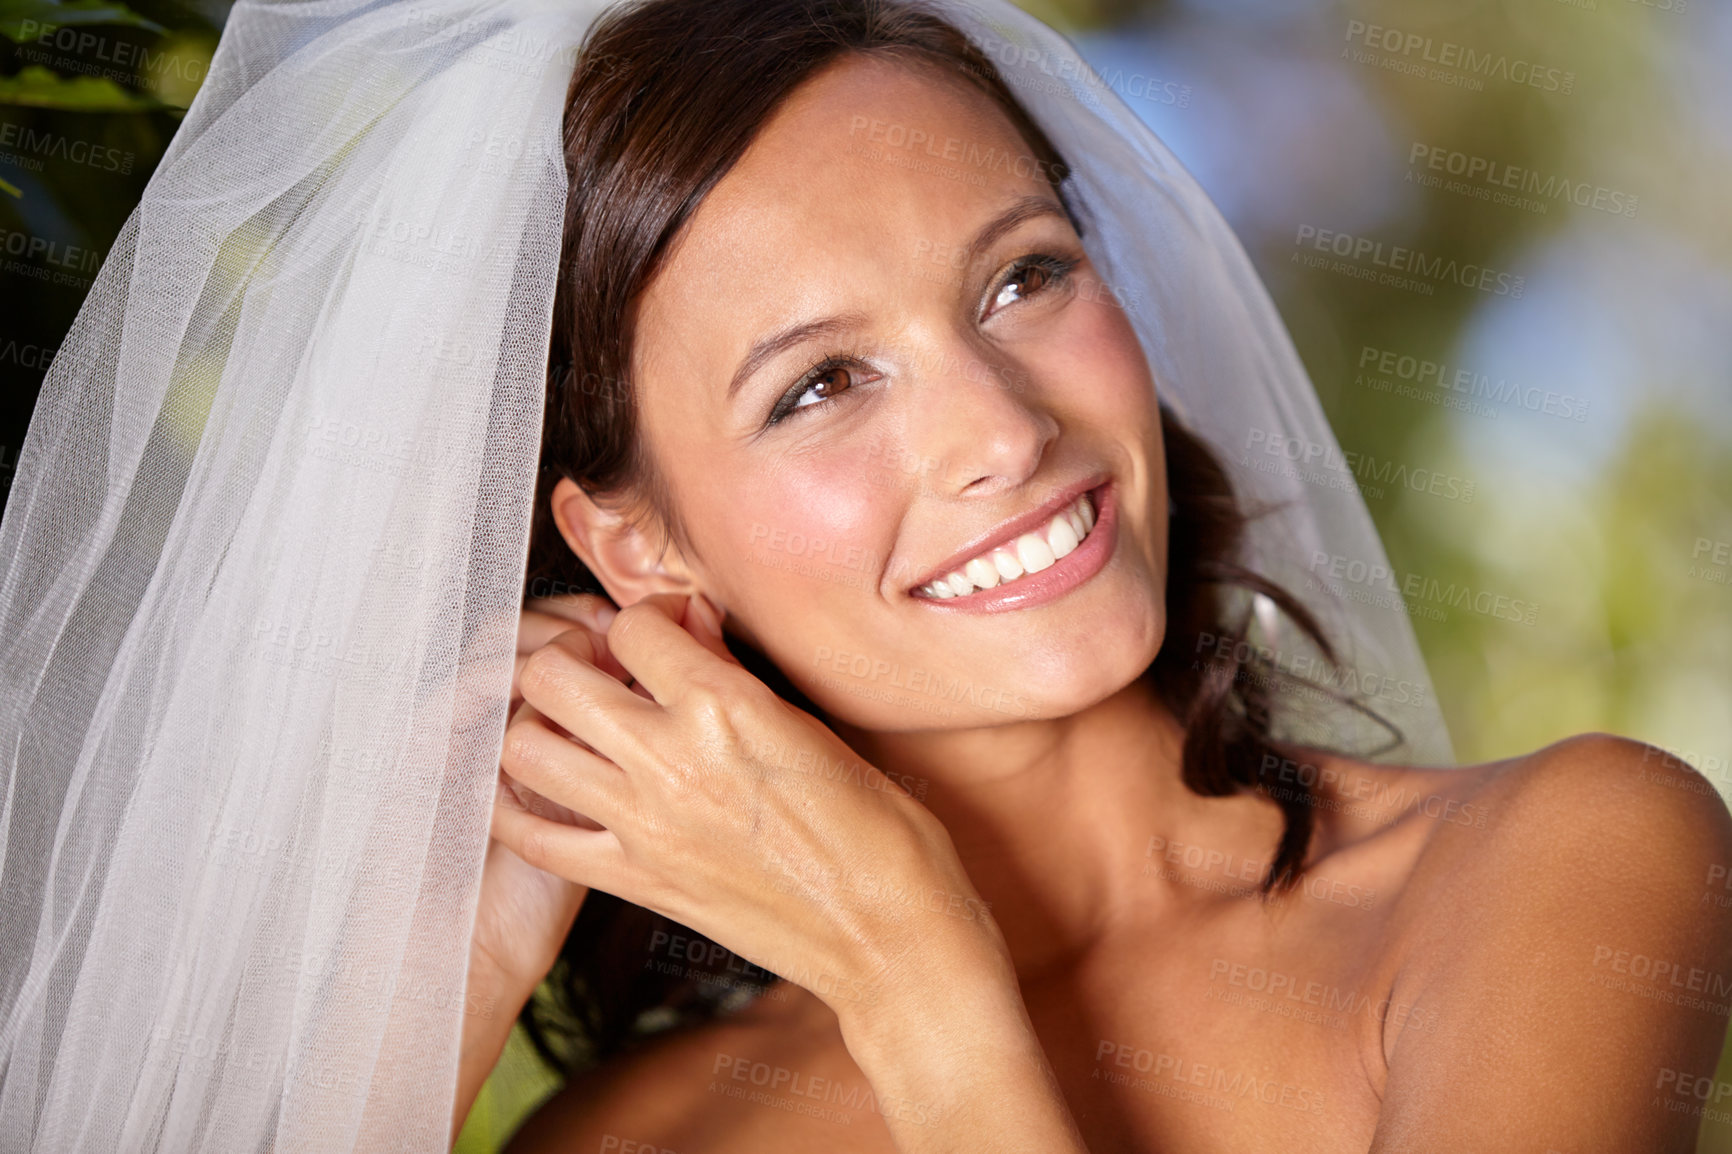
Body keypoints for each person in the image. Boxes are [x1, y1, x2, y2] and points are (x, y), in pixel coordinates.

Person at [452, 2, 1732, 1152]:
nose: (1006, 431)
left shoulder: (1557, 861)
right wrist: (456, 975)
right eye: (821, 384)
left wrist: (922, 984)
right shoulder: (648, 1135)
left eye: (1023, 277)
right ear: (635, 542)